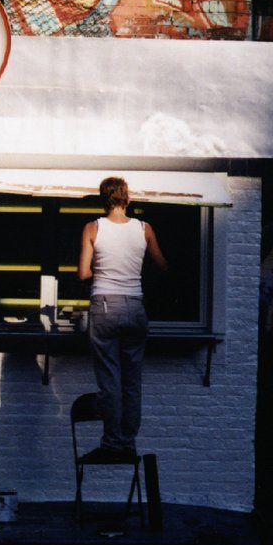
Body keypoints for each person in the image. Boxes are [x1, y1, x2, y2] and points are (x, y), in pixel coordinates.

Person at [78, 176, 168, 461]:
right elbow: (162, 266)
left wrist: (103, 272)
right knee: (132, 380)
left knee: (109, 380)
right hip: (135, 305)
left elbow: (83, 273)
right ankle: (128, 442)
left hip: (105, 305)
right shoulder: (145, 229)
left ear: (103, 200)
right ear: (127, 199)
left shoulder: (93, 228)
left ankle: (112, 442)